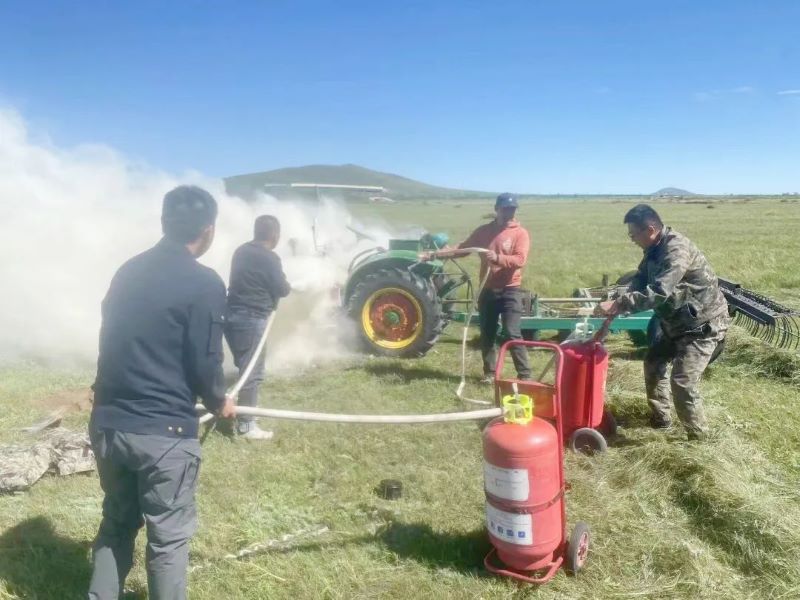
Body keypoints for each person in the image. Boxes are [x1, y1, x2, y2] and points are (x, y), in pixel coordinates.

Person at [89, 185, 236, 600]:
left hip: (109, 425)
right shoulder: (204, 283)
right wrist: (219, 401)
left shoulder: (127, 271)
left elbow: (110, 338)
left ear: (163, 223)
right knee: (168, 540)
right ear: (208, 230)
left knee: (117, 523)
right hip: (164, 434)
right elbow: (206, 361)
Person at [596, 204, 729, 441]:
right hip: (676, 324)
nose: (632, 239)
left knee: (683, 382)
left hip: (702, 326)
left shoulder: (676, 249)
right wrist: (619, 299)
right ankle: (661, 419)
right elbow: (640, 279)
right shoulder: (654, 248)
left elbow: (660, 291)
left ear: (650, 229)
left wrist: (621, 304)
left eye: (633, 234)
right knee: (653, 362)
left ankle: (698, 438)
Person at [421, 193, 531, 382]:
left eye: (512, 210)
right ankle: (490, 374)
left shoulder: (520, 233)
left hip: (510, 290)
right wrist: (434, 255)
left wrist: (498, 258)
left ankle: (525, 375)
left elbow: (520, 259)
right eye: (505, 209)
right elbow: (463, 248)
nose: (509, 213)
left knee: (512, 332)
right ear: (497, 209)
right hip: (487, 291)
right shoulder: (484, 231)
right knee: (487, 333)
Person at [224, 215, 291, 439]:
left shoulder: (241, 251)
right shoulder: (270, 258)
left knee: (244, 367)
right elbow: (282, 289)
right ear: (275, 235)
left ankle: (236, 407)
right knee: (252, 372)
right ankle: (246, 426)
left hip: (231, 316)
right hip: (253, 318)